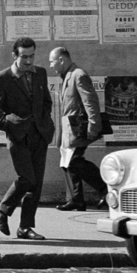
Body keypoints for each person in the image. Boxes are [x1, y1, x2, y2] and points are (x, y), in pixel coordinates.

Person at [0, 36, 56, 240]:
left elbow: (46, 102)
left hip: (40, 135)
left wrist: (45, 121)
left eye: (32, 56)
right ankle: (2, 210)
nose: (28, 61)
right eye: (24, 56)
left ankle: (25, 227)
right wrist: (9, 124)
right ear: (14, 55)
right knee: (26, 179)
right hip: (18, 137)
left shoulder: (40, 73)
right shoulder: (3, 78)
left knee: (36, 184)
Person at [52, 47, 107, 211]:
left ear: (61, 60)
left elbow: (90, 101)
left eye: (52, 61)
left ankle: (106, 190)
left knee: (74, 161)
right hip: (69, 129)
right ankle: (77, 199)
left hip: (78, 128)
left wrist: (94, 125)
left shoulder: (78, 75)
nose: (51, 65)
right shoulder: (68, 76)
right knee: (67, 163)